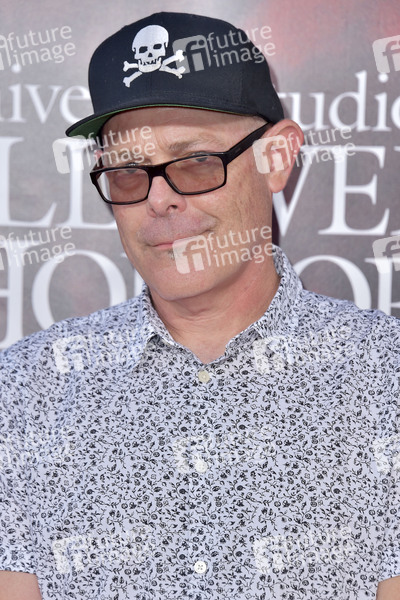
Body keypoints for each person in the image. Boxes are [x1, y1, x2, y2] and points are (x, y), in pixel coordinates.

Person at [0, 11, 399, 600]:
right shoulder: (26, 389)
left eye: (195, 163)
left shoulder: (385, 377)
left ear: (277, 157)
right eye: (128, 173)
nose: (159, 199)